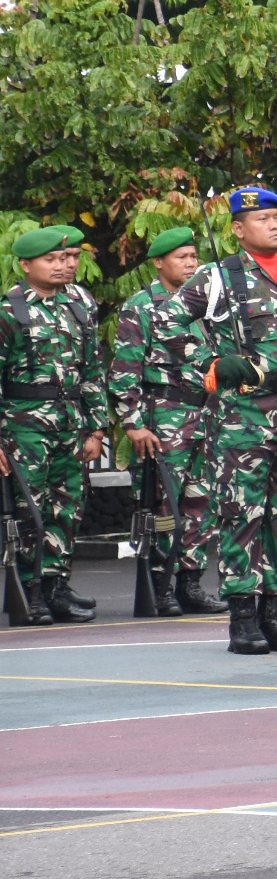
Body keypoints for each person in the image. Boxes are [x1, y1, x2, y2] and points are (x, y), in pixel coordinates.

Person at [169, 189, 277, 655]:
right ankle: (243, 617)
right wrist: (212, 363)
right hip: (244, 416)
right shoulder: (217, 277)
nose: (274, 225)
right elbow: (168, 324)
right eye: (261, 218)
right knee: (242, 515)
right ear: (239, 229)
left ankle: (276, 614)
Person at [109, 226, 226, 616]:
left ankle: (189, 582)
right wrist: (134, 423)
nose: (191, 264)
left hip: (208, 414)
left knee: (201, 502)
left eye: (194, 257)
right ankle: (160, 583)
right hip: (165, 416)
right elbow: (125, 370)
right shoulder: (142, 305)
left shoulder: (209, 303)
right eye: (182, 258)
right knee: (165, 506)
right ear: (159, 262)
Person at [2, 225, 105, 626]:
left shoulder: (79, 302)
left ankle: (55, 585)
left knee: (69, 507)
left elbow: (92, 369)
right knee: (32, 511)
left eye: (71, 257)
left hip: (71, 423)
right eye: (53, 259)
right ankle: (30, 591)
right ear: (26, 265)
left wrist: (96, 429)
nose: (65, 265)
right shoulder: (9, 311)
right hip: (24, 426)